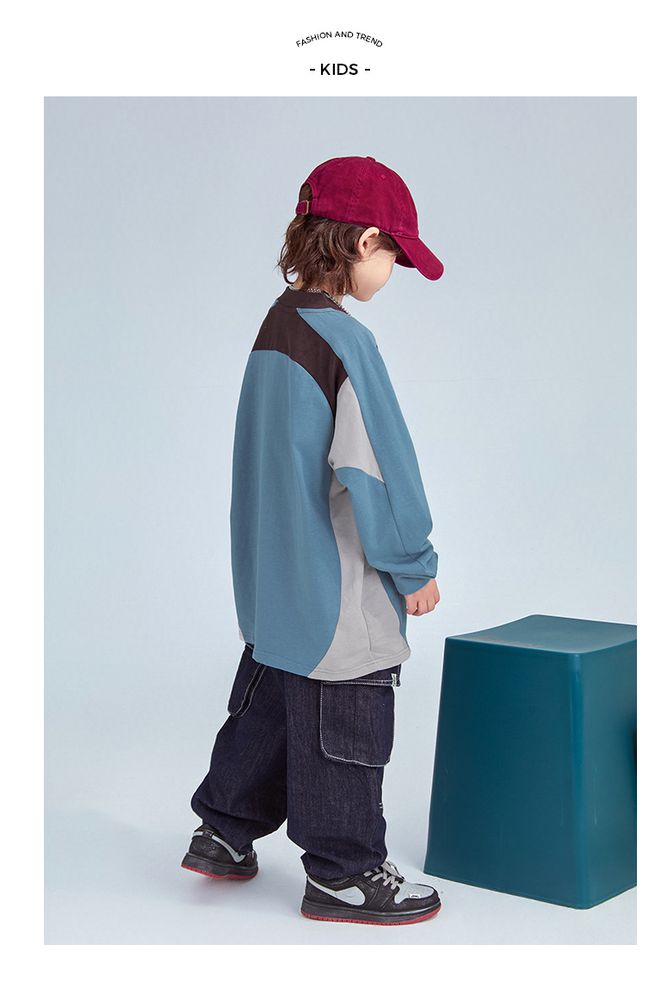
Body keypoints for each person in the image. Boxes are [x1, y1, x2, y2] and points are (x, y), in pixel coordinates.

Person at [181, 155, 444, 926]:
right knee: (346, 709)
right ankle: (344, 870)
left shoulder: (277, 325)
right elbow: (378, 470)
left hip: (274, 577)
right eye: (394, 255)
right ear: (364, 242)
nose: (393, 271)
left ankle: (223, 830)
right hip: (335, 585)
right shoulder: (345, 344)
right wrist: (413, 565)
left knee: (270, 703)